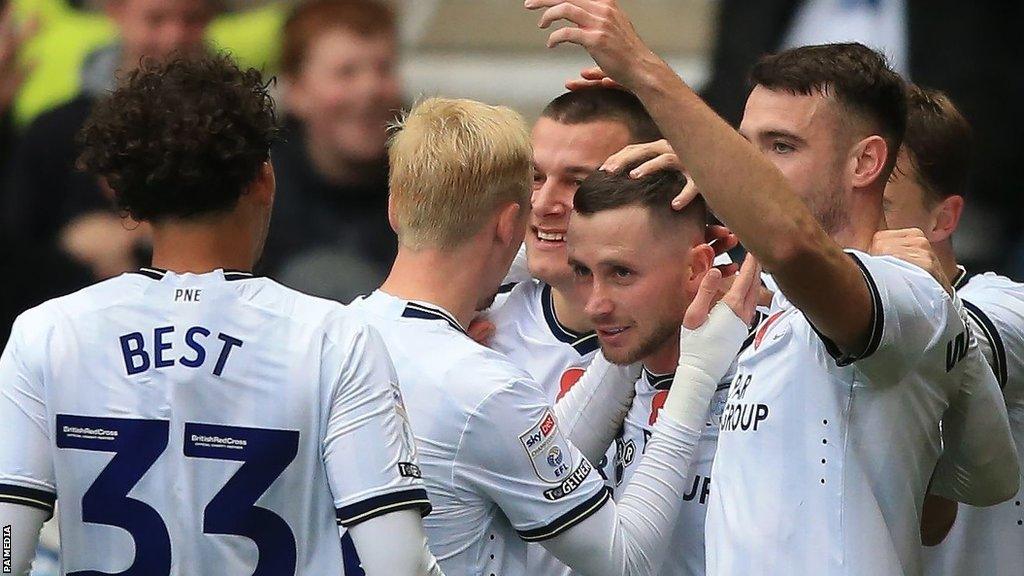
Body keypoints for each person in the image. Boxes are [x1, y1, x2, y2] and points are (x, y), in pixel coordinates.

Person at [524, 1, 1018, 574]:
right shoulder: (763, 299)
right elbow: (979, 480)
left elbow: (793, 244)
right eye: (743, 145)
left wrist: (645, 70)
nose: (751, 168)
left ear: (866, 162)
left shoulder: (906, 289)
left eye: (781, 147)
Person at [0, 54, 440, 576]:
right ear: (264, 178)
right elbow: (399, 565)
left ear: (124, 192)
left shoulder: (47, 332)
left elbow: (7, 550)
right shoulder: (333, 337)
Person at [352, 95, 759, 575]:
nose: (546, 206)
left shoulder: (333, 336)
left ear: (395, 209)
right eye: (535, 184)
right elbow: (625, 561)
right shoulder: (483, 384)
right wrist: (696, 370)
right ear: (510, 223)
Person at [567, 165, 748, 576]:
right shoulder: (615, 372)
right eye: (582, 271)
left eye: (621, 273)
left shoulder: (771, 368)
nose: (594, 305)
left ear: (695, 270)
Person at [879, 85, 1024, 575]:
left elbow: (940, 340)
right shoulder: (783, 311)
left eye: (879, 202)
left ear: (943, 218)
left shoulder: (1007, 307)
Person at [1, 0, 216, 310]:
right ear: (116, 12)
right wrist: (69, 251)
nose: (175, 37)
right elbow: (15, 243)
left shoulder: (234, 128)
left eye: (192, 19)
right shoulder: (56, 132)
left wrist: (146, 238)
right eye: (156, 20)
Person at [259, 0, 402, 299]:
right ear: (296, 89)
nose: (370, 89)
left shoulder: (426, 182)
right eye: (346, 72)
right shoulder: (255, 189)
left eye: (383, 69)